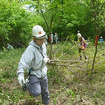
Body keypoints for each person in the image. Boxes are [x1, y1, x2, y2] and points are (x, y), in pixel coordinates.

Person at [17, 25, 50, 105]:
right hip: (34, 73)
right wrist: (20, 74)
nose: (41, 40)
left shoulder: (43, 45)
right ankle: (28, 83)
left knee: (45, 91)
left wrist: (46, 59)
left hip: (43, 72)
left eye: (42, 38)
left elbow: (44, 55)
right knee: (36, 92)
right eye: (39, 39)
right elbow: (23, 62)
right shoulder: (31, 49)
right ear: (34, 39)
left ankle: (46, 103)